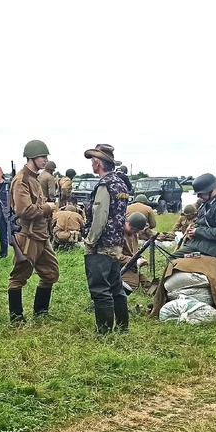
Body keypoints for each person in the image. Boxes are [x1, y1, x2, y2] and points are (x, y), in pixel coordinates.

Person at [81, 143, 130, 334]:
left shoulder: (104, 185)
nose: (92, 165)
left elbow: (100, 217)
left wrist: (90, 241)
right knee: (116, 288)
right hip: (116, 244)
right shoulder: (121, 183)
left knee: (100, 290)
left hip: (101, 247)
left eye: (93, 161)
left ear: (98, 163)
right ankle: (122, 327)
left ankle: (104, 331)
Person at [8, 140, 59, 323]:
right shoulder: (21, 179)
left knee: (51, 273)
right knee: (19, 277)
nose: (45, 160)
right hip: (28, 235)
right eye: (43, 156)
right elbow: (24, 210)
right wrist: (47, 207)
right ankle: (16, 317)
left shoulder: (35, 178)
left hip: (41, 234)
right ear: (32, 157)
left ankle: (41, 312)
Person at [181, 173, 216, 258]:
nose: (199, 196)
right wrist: (193, 231)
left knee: (176, 257)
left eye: (201, 193)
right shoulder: (206, 204)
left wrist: (198, 231)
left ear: (211, 190)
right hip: (204, 244)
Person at [120, 211, 152, 292]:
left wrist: (140, 258)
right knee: (131, 286)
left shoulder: (134, 234)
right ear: (127, 223)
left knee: (149, 286)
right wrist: (136, 261)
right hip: (118, 267)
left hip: (130, 267)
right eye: (134, 229)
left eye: (137, 231)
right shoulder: (118, 234)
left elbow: (134, 251)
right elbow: (116, 257)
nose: (135, 232)